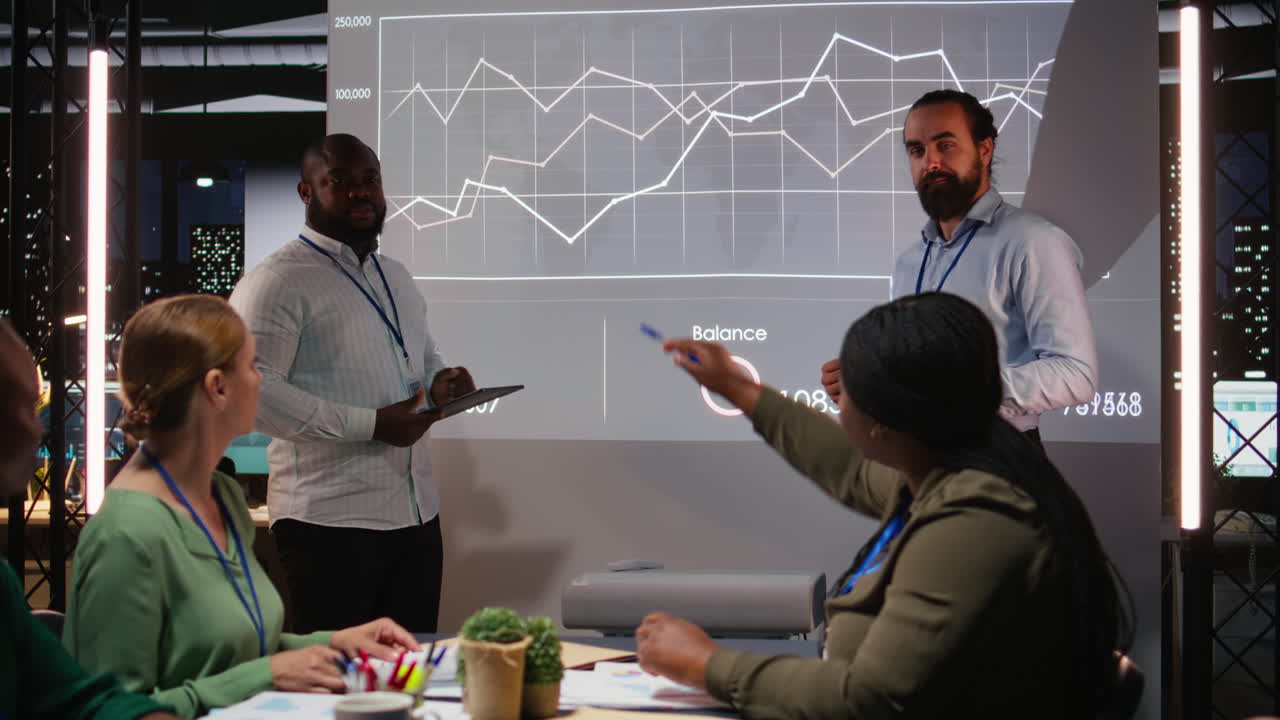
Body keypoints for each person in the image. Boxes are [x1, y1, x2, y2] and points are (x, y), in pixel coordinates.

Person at [640, 293, 1133, 720]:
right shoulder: (949, 465)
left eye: (846, 393)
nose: (838, 405)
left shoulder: (975, 519)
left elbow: (869, 702)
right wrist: (739, 389)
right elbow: (847, 467)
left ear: (884, 424)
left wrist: (708, 665)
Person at [63, 296, 422, 719]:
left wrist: (332, 642)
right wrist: (264, 676)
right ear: (218, 386)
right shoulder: (125, 535)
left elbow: (235, 652)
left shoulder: (222, 496)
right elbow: (105, 710)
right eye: (254, 367)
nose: (261, 383)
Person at [229, 133, 476, 634]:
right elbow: (254, 392)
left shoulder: (396, 275)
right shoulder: (278, 280)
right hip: (328, 525)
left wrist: (442, 382)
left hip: (416, 518)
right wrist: (371, 425)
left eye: (370, 180)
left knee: (410, 678)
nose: (360, 192)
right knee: (337, 690)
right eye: (339, 181)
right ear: (306, 192)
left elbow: (422, 357)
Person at [821, 89, 1097, 448]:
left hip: (999, 460)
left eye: (945, 145)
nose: (930, 162)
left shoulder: (1032, 242)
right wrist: (870, 385)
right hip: (920, 464)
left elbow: (1076, 375)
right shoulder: (909, 262)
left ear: (985, 149)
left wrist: (957, 396)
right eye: (917, 151)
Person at [0, 319, 178, 720]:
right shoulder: (126, 530)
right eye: (21, 409)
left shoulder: (3, 587)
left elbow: (75, 695)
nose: (36, 431)